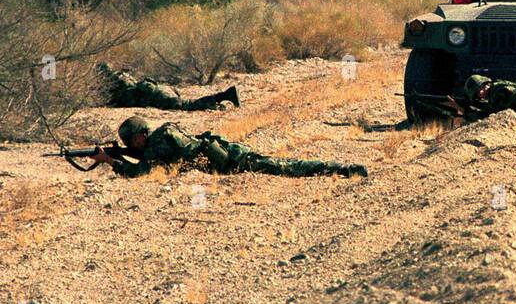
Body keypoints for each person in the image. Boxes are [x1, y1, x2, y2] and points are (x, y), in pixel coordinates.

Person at [96, 116, 367, 178]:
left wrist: (109, 160)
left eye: (130, 142)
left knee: (286, 168)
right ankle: (340, 168)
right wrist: (120, 155)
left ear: (141, 135)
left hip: (234, 162)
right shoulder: (162, 135)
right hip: (230, 153)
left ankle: (342, 168)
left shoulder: (157, 143)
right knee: (283, 165)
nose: (130, 146)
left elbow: (140, 173)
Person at [96, 63, 238, 111]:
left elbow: (119, 101)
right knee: (188, 103)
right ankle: (217, 103)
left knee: (188, 105)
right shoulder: (122, 77)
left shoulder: (117, 83)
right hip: (162, 89)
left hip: (159, 96)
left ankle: (225, 95)